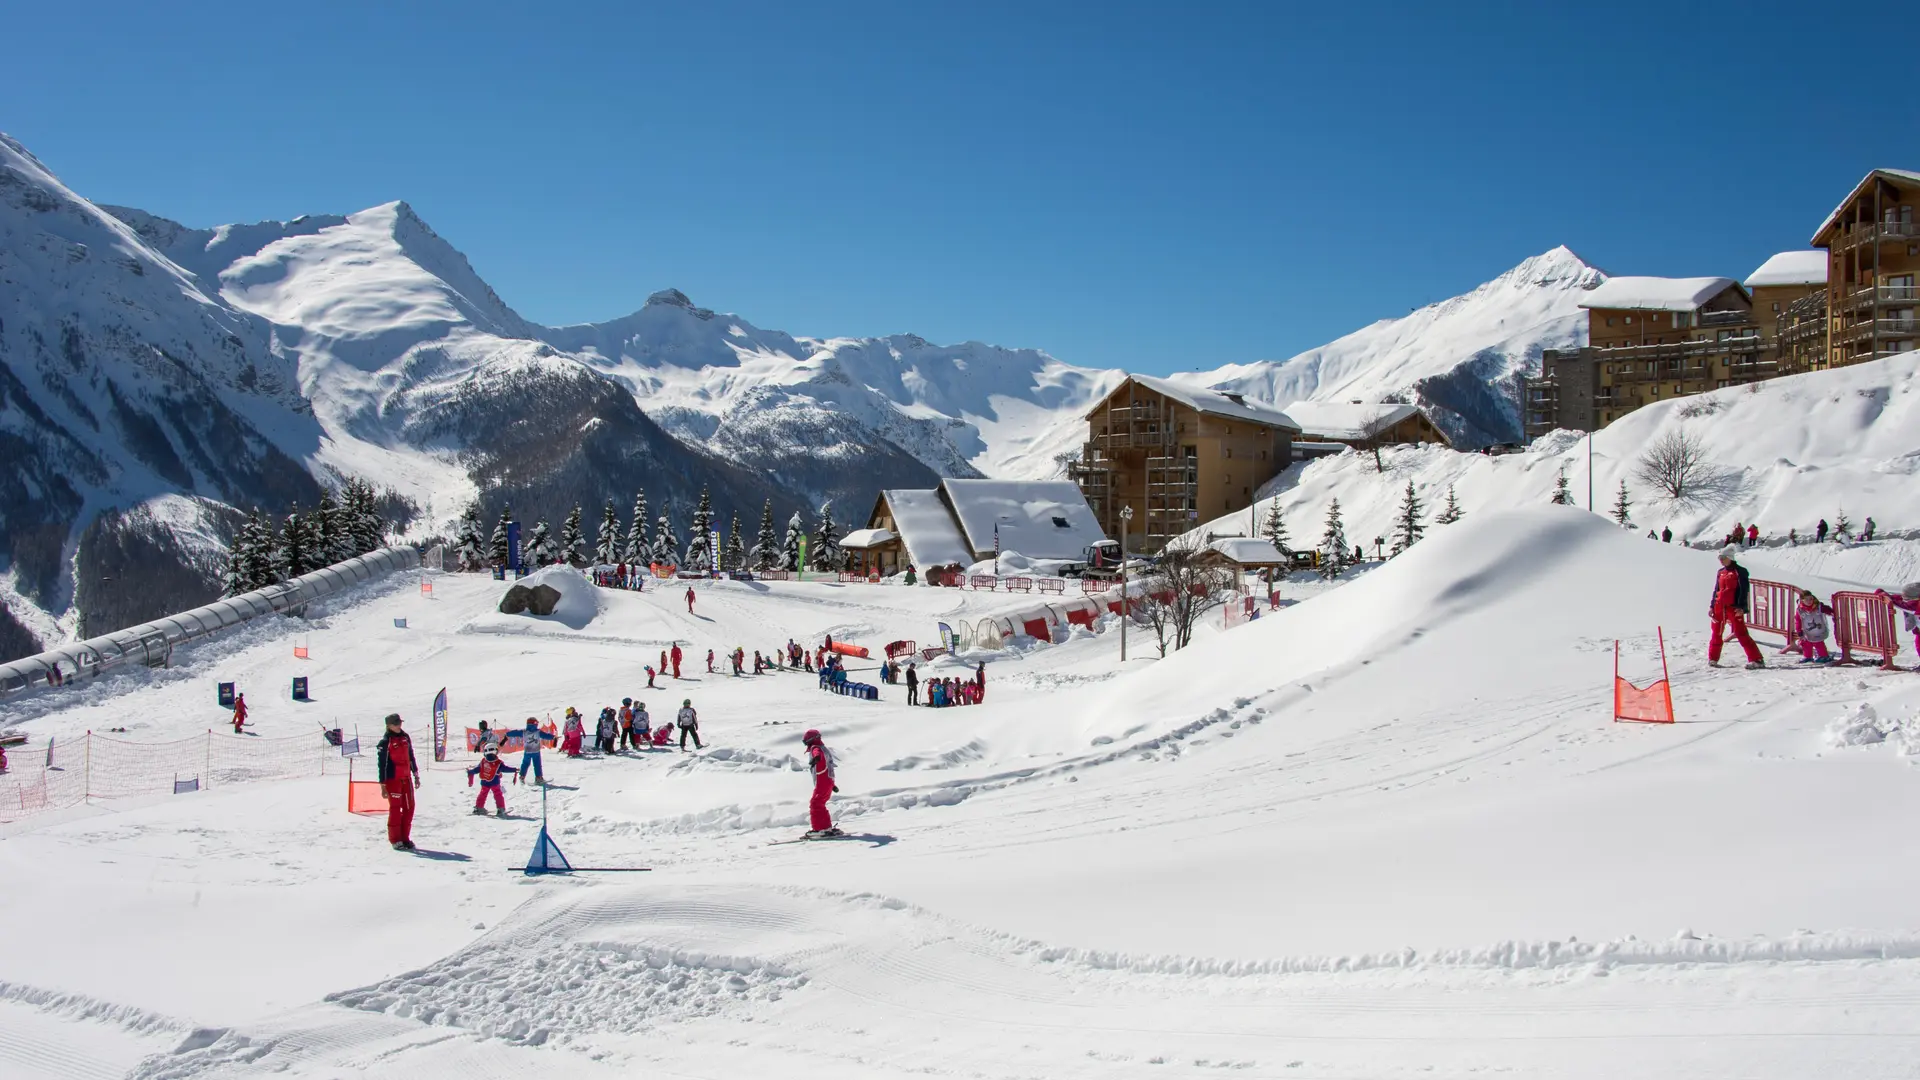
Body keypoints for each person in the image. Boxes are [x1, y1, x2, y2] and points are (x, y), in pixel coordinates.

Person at [1708, 545, 1764, 669]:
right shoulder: (1721, 572)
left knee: (1741, 633)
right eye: (1719, 558)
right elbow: (1716, 589)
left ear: (1730, 557)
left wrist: (1741, 607)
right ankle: (1713, 658)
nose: (1721, 560)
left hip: (1733, 607)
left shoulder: (1740, 571)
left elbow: (1744, 590)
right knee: (1716, 633)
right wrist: (1712, 605)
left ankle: (1757, 659)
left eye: (1723, 557)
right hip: (1719, 606)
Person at [375, 713, 420, 851]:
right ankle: (395, 839)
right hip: (393, 780)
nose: (399, 725)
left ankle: (405, 838)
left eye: (399, 723)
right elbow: (382, 764)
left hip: (406, 778)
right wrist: (383, 785)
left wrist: (416, 774)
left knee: (409, 807)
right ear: (388, 725)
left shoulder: (405, 737)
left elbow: (411, 756)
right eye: (395, 724)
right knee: (395, 809)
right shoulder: (385, 742)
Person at [803, 729, 840, 838]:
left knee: (815, 804)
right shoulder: (825, 749)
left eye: (805, 742)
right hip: (828, 781)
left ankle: (819, 829)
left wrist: (816, 758)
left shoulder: (816, 748)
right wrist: (832, 785)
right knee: (820, 804)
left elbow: (816, 753)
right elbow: (829, 767)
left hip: (822, 782)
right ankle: (826, 827)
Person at [467, 744, 517, 816]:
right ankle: (500, 809)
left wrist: (471, 772)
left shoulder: (483, 761)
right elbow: (505, 769)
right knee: (498, 794)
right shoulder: (498, 763)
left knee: (482, 794)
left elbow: (477, 769)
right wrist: (514, 770)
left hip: (484, 782)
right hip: (495, 782)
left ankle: (479, 808)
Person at [1876, 583, 1920, 661]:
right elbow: (1899, 598)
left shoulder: (1915, 605)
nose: (1904, 599)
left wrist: (1886, 597)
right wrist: (1884, 593)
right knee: (1918, 644)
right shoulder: (1914, 601)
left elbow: (1900, 604)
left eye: (1906, 598)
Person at [1793, 591, 1834, 664]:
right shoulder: (1800, 610)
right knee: (1805, 643)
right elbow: (1798, 621)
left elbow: (1827, 610)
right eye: (1806, 599)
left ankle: (1824, 656)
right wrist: (1799, 631)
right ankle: (1808, 656)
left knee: (1818, 643)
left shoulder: (1818, 606)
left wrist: (1830, 611)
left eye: (1810, 599)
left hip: (1818, 629)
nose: (1809, 601)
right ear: (1802, 600)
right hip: (1807, 630)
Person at [519, 718, 554, 783]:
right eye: (536, 723)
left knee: (525, 764)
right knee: (537, 764)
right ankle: (538, 778)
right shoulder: (538, 732)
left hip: (527, 752)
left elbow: (515, 733)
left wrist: (508, 734)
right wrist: (553, 737)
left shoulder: (524, 732)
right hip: (536, 752)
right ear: (534, 724)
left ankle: (522, 776)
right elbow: (545, 736)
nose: (537, 724)